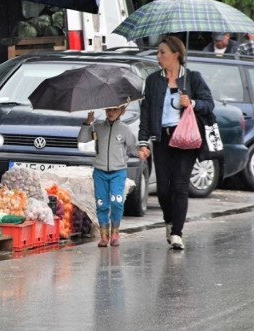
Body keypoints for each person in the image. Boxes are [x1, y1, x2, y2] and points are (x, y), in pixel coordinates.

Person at [138, 36, 214, 250]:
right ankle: (169, 221)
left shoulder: (193, 78)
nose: (158, 56)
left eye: (162, 52)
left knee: (180, 185)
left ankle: (177, 233)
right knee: (163, 189)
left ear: (175, 54)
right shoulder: (153, 80)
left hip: (186, 139)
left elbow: (209, 104)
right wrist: (143, 141)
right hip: (162, 139)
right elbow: (145, 113)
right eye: (158, 52)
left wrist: (192, 102)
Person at [78, 104, 139, 247]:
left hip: (118, 172)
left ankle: (115, 233)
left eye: (115, 110)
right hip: (100, 172)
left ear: (122, 111)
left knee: (117, 202)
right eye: (108, 109)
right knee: (101, 204)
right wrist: (88, 123)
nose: (111, 113)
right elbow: (82, 139)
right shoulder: (98, 127)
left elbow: (132, 148)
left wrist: (142, 151)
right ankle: (104, 236)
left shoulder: (125, 130)